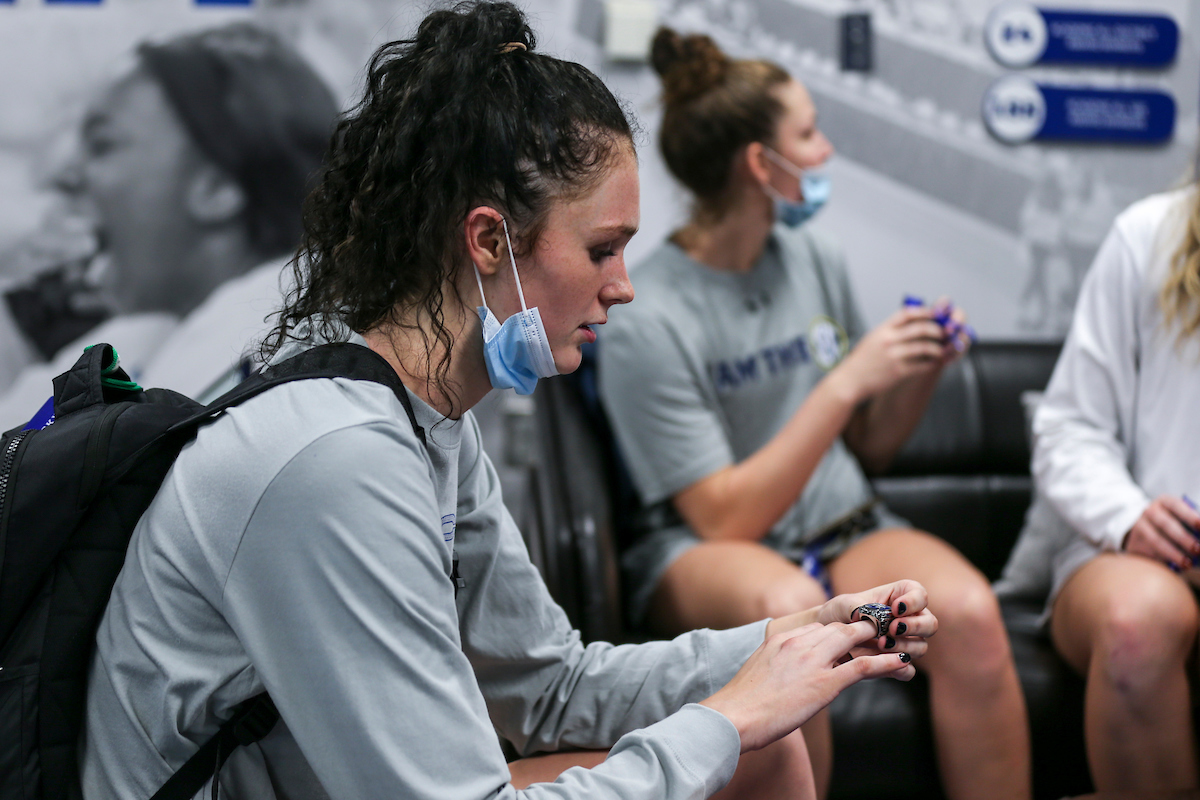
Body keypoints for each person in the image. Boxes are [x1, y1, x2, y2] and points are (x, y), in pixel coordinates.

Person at [80, 5, 935, 799]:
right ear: (490, 240)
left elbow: (548, 689)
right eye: (603, 249)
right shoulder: (333, 459)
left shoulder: (427, 423)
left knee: (761, 751)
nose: (624, 288)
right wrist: (729, 716)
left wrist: (790, 639)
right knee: (745, 746)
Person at [597, 28, 1030, 800]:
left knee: (966, 609)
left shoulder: (815, 262)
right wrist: (841, 384)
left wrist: (914, 377)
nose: (825, 153)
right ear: (762, 165)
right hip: (712, 546)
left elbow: (872, 448)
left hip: (842, 525)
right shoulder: (651, 311)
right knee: (791, 616)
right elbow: (722, 518)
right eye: (808, 134)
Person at [0, 22, 338, 427]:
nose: (64, 177)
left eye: (103, 144)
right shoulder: (141, 342)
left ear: (217, 187)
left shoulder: (282, 369)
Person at [1012, 172, 1200, 791]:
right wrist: (1128, 517)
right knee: (1134, 625)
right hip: (1140, 556)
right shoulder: (1148, 234)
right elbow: (1070, 427)